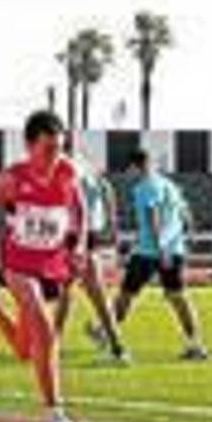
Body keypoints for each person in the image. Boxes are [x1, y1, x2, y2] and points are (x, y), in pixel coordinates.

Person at [0, 110, 88, 422]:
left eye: (59, 148)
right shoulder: (11, 179)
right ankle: (55, 416)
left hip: (52, 264)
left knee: (25, 349)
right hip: (18, 264)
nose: (53, 156)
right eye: (47, 149)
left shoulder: (67, 171)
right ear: (30, 146)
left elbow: (80, 209)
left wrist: (79, 244)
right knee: (46, 330)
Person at [115, 150, 208, 361]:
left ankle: (108, 334)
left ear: (135, 167)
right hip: (173, 248)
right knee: (178, 296)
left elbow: (152, 217)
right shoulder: (170, 185)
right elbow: (186, 213)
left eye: (129, 169)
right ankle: (195, 344)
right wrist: (185, 238)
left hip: (150, 251)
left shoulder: (144, 187)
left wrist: (160, 249)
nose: (128, 174)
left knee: (127, 293)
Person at [63, 138, 128, 364]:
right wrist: (111, 223)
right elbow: (107, 190)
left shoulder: (66, 166)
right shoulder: (87, 167)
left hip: (74, 234)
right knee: (76, 291)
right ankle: (116, 346)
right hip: (89, 233)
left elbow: (73, 202)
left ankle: (117, 347)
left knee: (81, 292)